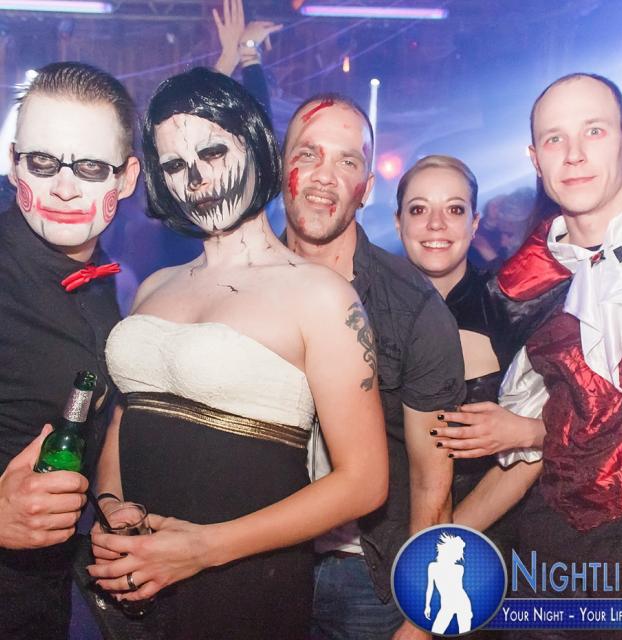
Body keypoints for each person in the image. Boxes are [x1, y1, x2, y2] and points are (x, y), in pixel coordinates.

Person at [88, 69, 388, 640]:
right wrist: (112, 506)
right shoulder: (153, 285)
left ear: (254, 144)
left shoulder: (320, 294)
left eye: (212, 152)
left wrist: (203, 549)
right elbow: (126, 416)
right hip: (139, 575)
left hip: (246, 577)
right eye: (174, 164)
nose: (196, 178)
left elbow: (365, 481)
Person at [281, 95, 466, 640]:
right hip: (257, 561)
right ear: (279, 165)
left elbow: (433, 481)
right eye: (308, 153)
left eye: (347, 161)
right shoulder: (237, 285)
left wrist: (421, 617)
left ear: (365, 187)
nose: (324, 176)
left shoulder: (412, 307)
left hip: (365, 576)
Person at [487, 73, 622, 639]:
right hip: (552, 561)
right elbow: (528, 436)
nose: (573, 154)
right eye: (555, 139)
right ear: (534, 158)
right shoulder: (518, 286)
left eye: (593, 131)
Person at [0, 61, 139, 639]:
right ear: (14, 162)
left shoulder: (104, 286)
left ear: (126, 179)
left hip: (43, 605)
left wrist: (112, 503)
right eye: (42, 162)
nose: (63, 187)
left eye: (89, 167)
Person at [393, 155, 544, 555]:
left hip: (489, 542)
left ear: (474, 223)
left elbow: (536, 449)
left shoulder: (514, 310)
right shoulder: (366, 311)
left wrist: (435, 546)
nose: (436, 224)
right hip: (377, 543)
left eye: (455, 209)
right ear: (398, 222)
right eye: (419, 209)